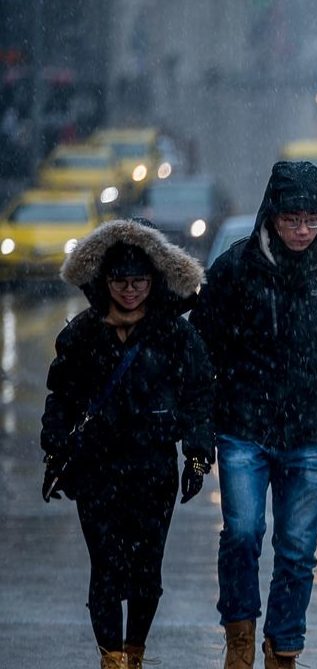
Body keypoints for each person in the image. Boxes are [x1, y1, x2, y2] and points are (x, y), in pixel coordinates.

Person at [191, 160, 317, 669]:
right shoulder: (237, 268)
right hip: (243, 428)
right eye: (292, 221)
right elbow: (199, 350)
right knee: (242, 535)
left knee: (298, 549)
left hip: (309, 433)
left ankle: (282, 649)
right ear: (272, 218)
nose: (303, 231)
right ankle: (240, 638)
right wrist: (196, 426)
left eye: (312, 221)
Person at [41, 218, 213, 669]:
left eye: (139, 281)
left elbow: (198, 394)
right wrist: (56, 448)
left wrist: (197, 455)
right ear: (105, 280)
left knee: (146, 575)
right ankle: (112, 660)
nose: (130, 290)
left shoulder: (176, 335)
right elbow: (62, 396)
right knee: (105, 568)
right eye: (120, 280)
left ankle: (133, 653)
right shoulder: (82, 334)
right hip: (97, 470)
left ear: (154, 281)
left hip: (153, 470)